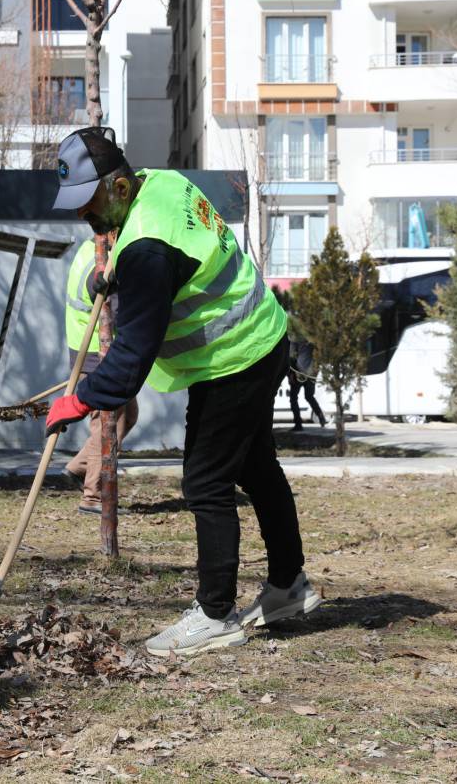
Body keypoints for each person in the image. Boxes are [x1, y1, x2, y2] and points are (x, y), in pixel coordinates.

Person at [45, 126, 321, 657]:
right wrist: (115, 279)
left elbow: (130, 358)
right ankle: (289, 587)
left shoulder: (145, 247)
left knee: (204, 483)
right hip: (263, 335)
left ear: (121, 188)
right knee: (257, 469)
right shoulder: (164, 183)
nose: (84, 216)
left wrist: (78, 401)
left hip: (233, 359)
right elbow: (178, 261)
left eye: (90, 202)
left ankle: (215, 615)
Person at [61, 240, 140, 514]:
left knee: (128, 415)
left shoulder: (88, 247)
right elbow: (118, 314)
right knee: (108, 425)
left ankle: (79, 467)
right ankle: (93, 496)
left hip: (87, 349)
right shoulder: (105, 263)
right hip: (98, 352)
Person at [287, 336, 327, 431]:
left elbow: (291, 356)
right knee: (309, 396)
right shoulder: (314, 338)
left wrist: (290, 374)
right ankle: (321, 417)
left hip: (299, 373)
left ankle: (298, 424)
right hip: (311, 373)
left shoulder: (295, 338)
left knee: (293, 398)